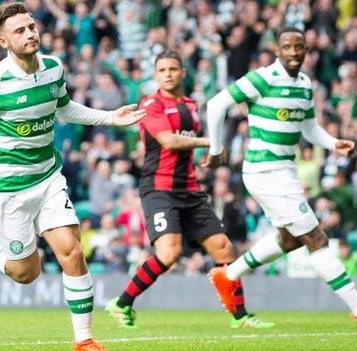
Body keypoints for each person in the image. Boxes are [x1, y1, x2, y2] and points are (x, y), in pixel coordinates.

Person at [0, 3, 144, 351]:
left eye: (31, 27)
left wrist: (110, 118)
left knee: (72, 252)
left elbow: (64, 108)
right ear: (3, 41)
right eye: (19, 30)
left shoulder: (54, 68)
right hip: (8, 188)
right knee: (25, 273)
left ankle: (84, 341)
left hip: (48, 177)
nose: (30, 34)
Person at [206, 27, 357, 328]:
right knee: (316, 237)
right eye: (286, 47)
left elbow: (309, 128)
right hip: (264, 170)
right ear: (277, 50)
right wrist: (216, 148)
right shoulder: (263, 78)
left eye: (298, 47)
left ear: (306, 51)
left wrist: (333, 143)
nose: (292, 52)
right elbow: (216, 104)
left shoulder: (304, 84)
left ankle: (229, 275)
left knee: (290, 239)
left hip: (285, 171)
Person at [104, 51, 273, 330]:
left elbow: (186, 145)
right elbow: (169, 142)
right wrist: (213, 142)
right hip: (159, 188)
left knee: (223, 248)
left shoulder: (191, 105)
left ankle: (241, 317)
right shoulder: (151, 104)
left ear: (183, 72)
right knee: (168, 253)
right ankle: (121, 303)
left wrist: (209, 156)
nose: (168, 74)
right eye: (162, 70)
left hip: (190, 189)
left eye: (173, 68)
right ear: (156, 75)